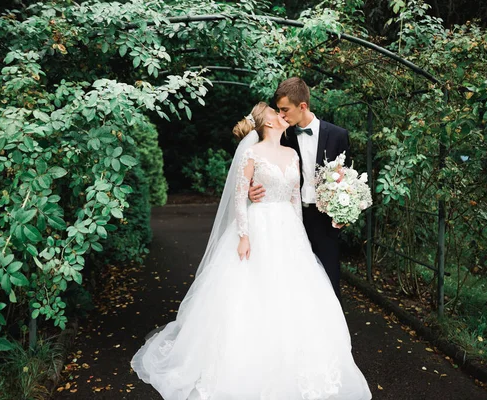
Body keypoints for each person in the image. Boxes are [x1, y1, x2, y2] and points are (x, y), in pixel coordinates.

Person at [130, 101, 371, 400]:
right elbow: (238, 196)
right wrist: (243, 236)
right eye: (276, 113)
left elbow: (295, 198)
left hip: (288, 228)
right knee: (253, 290)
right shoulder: (251, 153)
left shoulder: (292, 153)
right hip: (258, 226)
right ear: (268, 122)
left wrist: (300, 235)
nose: (282, 116)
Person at [248, 77, 350, 301]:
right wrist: (249, 189)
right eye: (279, 110)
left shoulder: (338, 135)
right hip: (287, 219)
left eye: (285, 110)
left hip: (325, 220)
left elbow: (348, 179)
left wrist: (346, 211)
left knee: (329, 283)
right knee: (290, 284)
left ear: (302, 106)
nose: (281, 116)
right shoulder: (281, 135)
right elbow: (255, 163)